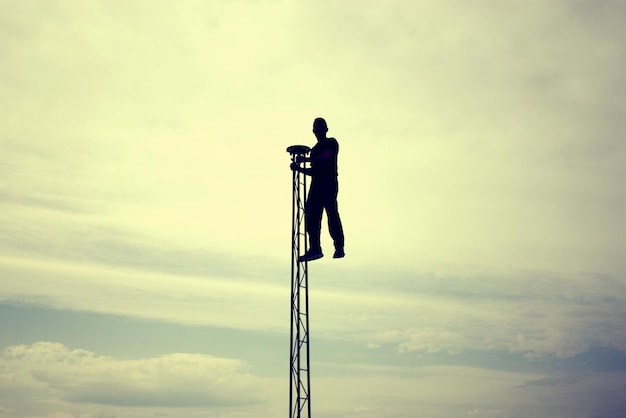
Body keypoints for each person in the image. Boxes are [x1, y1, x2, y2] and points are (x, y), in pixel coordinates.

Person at [291, 117, 345, 262]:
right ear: (313, 131)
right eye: (317, 127)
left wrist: (306, 160)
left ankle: (339, 246)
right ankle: (315, 248)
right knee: (310, 213)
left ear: (326, 129)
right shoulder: (314, 150)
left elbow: (327, 158)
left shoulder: (331, 142)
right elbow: (314, 171)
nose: (319, 130)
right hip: (317, 184)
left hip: (328, 183)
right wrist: (299, 169)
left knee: (331, 213)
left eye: (322, 127)